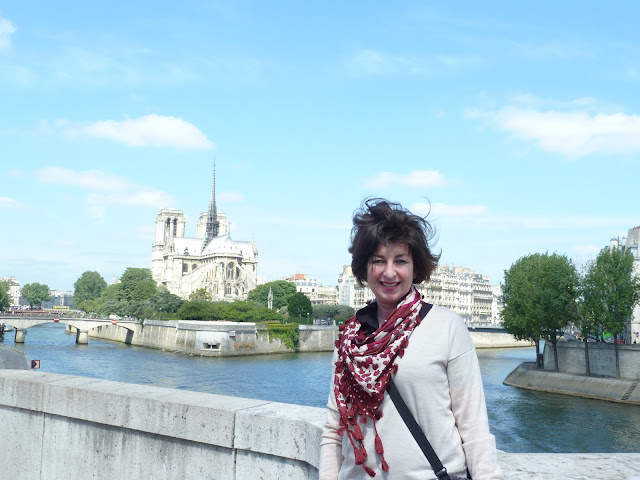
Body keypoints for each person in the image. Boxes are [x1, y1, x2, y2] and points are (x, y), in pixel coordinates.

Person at [320, 199, 502, 480]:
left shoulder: (447, 327)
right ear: (364, 268)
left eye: (400, 261)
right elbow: (335, 431)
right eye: (378, 260)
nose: (389, 272)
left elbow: (474, 427)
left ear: (416, 268)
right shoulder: (350, 339)